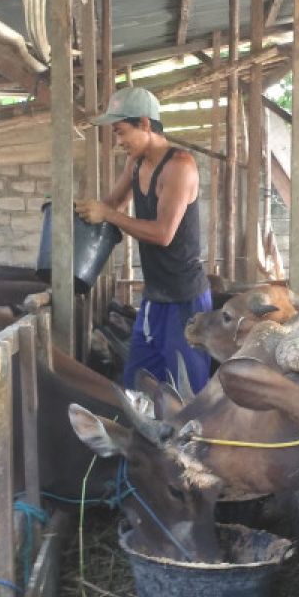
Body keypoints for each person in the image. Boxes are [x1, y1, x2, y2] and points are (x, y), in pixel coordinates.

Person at [76, 87, 212, 393]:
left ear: (146, 124)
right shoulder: (136, 164)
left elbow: (163, 234)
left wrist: (107, 215)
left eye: (122, 132)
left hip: (185, 299)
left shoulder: (180, 166)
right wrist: (79, 211)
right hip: (154, 297)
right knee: (137, 384)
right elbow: (112, 205)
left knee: (186, 392)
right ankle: (144, 440)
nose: (119, 141)